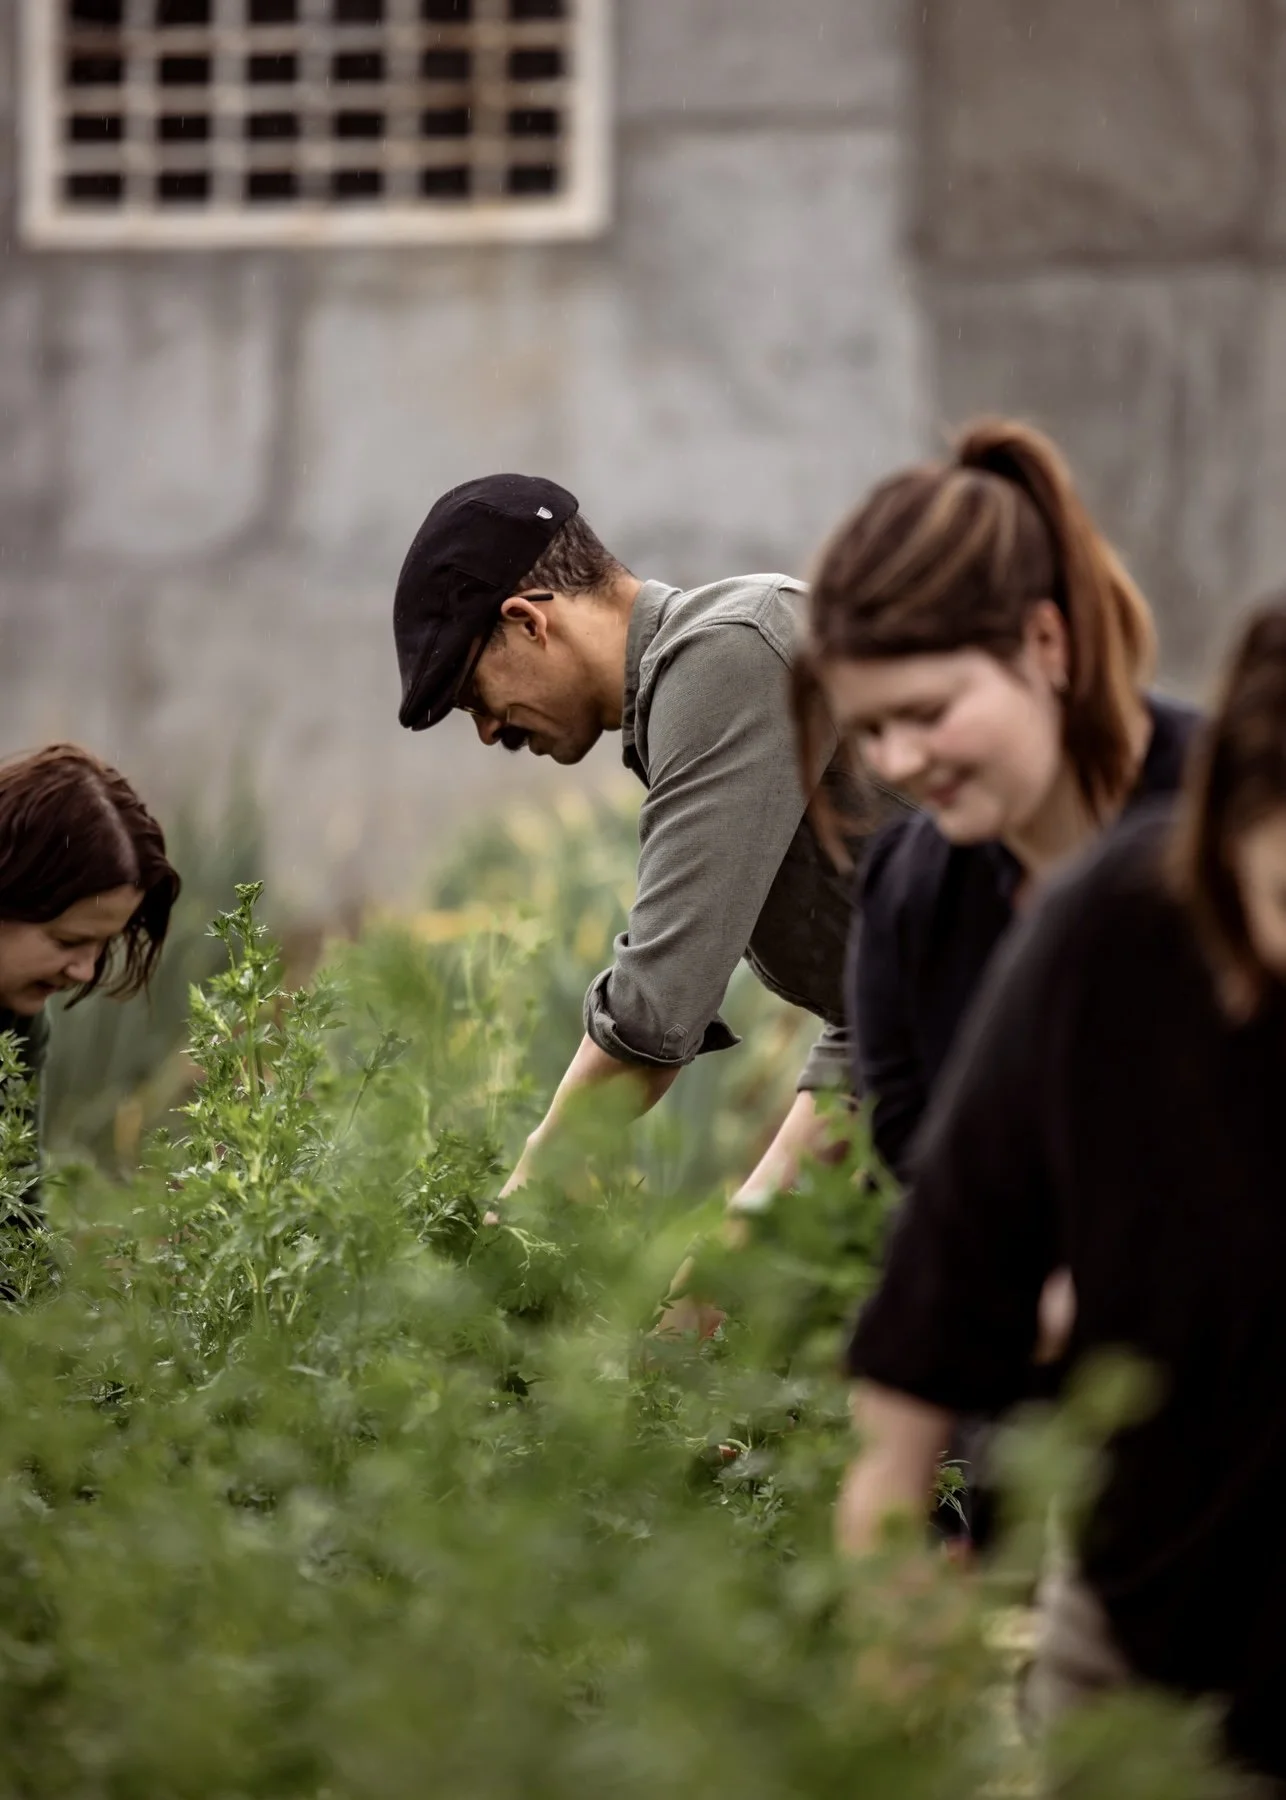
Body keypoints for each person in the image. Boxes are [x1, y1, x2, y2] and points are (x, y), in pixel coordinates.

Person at [836, 602, 1286, 1789]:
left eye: (924, 713)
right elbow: (932, 1307)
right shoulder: (1114, 938)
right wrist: (897, 1603)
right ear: (1222, 837)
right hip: (1148, 1649)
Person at [393, 474, 886, 1214]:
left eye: (474, 697)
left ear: (529, 622)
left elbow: (656, 1013)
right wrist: (721, 1275)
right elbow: (884, 1019)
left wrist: (524, 1194)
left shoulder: (727, 657)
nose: (490, 731)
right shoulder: (710, 678)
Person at [0, 744, 180, 1218]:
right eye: (66, 941)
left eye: (101, 946)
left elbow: (17, 1217)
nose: (84, 971)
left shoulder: (18, 1023)